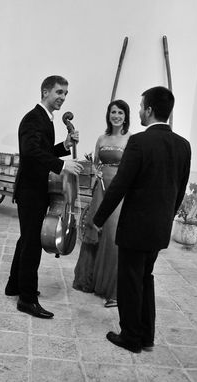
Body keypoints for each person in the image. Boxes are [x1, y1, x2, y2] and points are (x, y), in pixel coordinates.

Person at [92, 86, 191, 353]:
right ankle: (147, 335)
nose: (138, 112)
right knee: (145, 278)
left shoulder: (139, 142)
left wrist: (98, 218)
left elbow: (120, 184)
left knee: (130, 281)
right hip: (159, 228)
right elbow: (179, 190)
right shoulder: (183, 145)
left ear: (148, 110)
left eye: (140, 107)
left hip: (136, 227)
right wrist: (166, 219)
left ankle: (131, 337)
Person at [5, 75, 83, 319]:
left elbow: (43, 150)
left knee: (26, 239)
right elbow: (30, 153)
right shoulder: (33, 118)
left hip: (37, 188)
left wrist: (64, 146)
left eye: (65, 94)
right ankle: (26, 299)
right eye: (59, 92)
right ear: (45, 92)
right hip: (31, 190)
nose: (62, 97)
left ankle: (14, 285)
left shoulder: (45, 120)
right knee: (32, 243)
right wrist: (62, 166)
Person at [73, 100, 131, 308]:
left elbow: (131, 167)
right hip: (101, 188)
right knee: (95, 229)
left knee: (112, 234)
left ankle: (112, 289)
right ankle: (89, 281)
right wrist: (96, 171)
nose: (116, 115)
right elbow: (97, 162)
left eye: (120, 112)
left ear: (126, 116)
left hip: (118, 190)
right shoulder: (102, 138)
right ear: (109, 115)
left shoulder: (129, 139)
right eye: (113, 112)